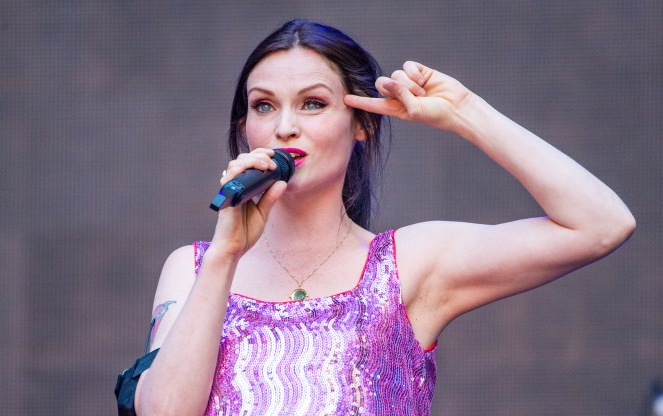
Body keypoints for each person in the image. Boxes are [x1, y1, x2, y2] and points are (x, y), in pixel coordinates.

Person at [133, 19, 635, 415]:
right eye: (264, 106)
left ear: (362, 126)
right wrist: (225, 256)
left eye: (312, 104)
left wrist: (465, 113)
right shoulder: (194, 268)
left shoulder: (407, 265)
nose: (285, 127)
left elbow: (601, 224)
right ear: (246, 129)